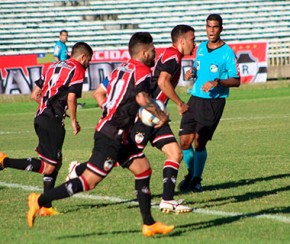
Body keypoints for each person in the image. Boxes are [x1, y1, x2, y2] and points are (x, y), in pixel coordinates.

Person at [26, 32, 175, 237]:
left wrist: (112, 111)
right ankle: (40, 200)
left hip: (117, 132)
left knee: (143, 169)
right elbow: (141, 97)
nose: (155, 52)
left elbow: (101, 93)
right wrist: (161, 115)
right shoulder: (142, 71)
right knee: (89, 181)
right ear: (143, 52)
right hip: (111, 135)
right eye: (152, 49)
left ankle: (148, 224)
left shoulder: (119, 69)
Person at [0, 41, 93, 216]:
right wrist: (74, 120)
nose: (89, 64)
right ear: (82, 57)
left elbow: (35, 94)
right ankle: (5, 161)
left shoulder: (53, 66)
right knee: (49, 166)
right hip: (52, 121)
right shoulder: (78, 69)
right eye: (89, 60)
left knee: (55, 163)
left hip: (41, 117)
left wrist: (48, 106)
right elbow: (72, 98)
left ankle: (46, 206)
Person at [129, 25, 196, 213]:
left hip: (157, 116)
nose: (194, 43)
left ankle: (167, 200)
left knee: (175, 154)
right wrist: (180, 103)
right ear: (182, 41)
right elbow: (162, 82)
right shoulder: (173, 55)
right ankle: (79, 170)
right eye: (192, 39)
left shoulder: (173, 55)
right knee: (121, 156)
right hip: (148, 114)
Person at [178, 14, 240, 193]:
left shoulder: (227, 52)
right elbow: (199, 69)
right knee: (184, 142)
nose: (211, 30)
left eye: (215, 27)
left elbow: (236, 80)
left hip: (213, 102)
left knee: (199, 142)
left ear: (221, 28)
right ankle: (191, 173)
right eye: (208, 27)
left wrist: (217, 82)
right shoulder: (201, 48)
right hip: (195, 98)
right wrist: (192, 73)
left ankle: (196, 179)